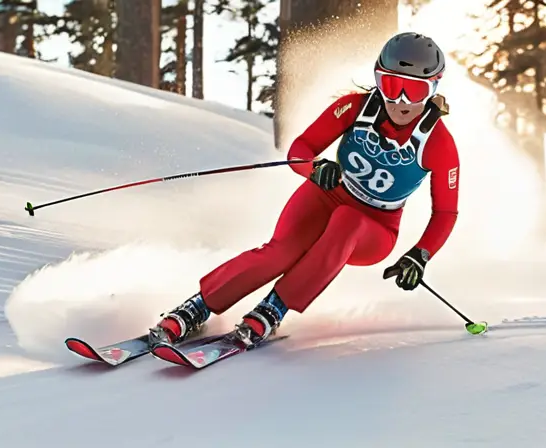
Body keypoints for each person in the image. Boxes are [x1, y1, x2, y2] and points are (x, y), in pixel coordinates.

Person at [149, 32, 460, 348]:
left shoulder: (439, 143)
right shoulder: (354, 108)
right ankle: (197, 307)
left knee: (347, 221)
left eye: (415, 90)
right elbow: (301, 147)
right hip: (326, 196)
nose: (401, 101)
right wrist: (314, 168)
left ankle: (273, 309)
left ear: (433, 89)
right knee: (280, 252)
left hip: (375, 228)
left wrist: (421, 255)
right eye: (392, 86)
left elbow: (446, 212)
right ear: (378, 81)